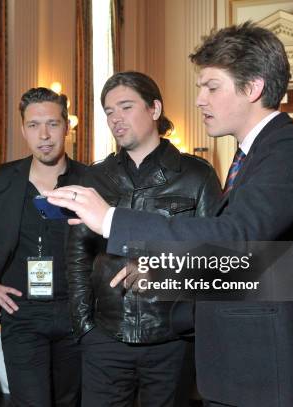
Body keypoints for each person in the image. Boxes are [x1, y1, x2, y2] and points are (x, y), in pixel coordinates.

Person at [45, 22, 293, 407]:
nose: (199, 99)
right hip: (241, 363)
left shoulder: (291, 150)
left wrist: (112, 219)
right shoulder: (255, 154)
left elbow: (237, 238)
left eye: (212, 87)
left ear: (253, 88)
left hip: (265, 366)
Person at [67, 71, 221, 406]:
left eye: (125, 106)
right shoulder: (94, 177)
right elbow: (77, 256)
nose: (116, 119)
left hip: (172, 338)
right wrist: (85, 328)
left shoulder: (197, 176)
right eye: (109, 111)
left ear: (154, 109)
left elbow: (216, 257)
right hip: (105, 336)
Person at [0, 87, 85, 406]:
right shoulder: (0, 180)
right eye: (34, 125)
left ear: (67, 126)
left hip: (75, 312)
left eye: (52, 124)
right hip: (20, 313)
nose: (45, 135)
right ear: (23, 129)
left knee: (71, 401)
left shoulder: (91, 179)